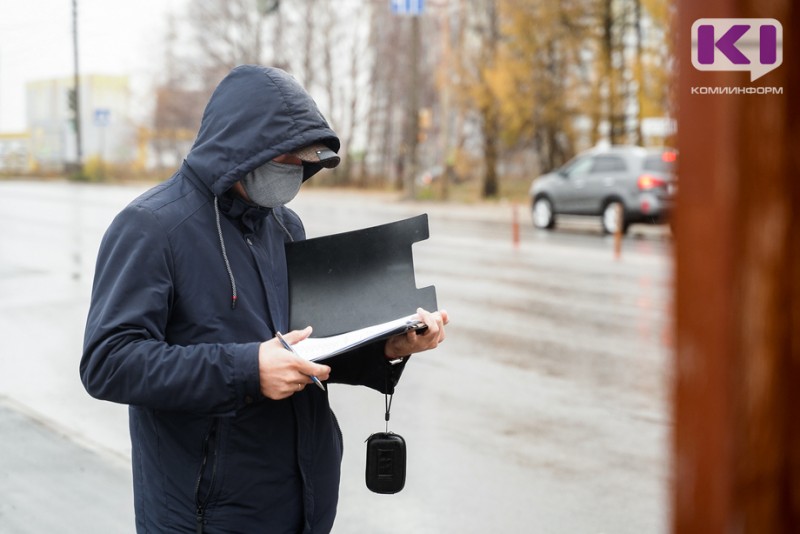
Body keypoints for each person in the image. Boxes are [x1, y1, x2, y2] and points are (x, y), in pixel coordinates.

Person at [80, 65, 447, 533]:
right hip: (207, 516)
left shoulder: (283, 226)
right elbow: (108, 362)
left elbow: (308, 344)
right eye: (285, 160)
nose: (295, 173)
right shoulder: (151, 228)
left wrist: (388, 348)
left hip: (300, 503)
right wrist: (247, 370)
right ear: (242, 149)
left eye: (304, 162)